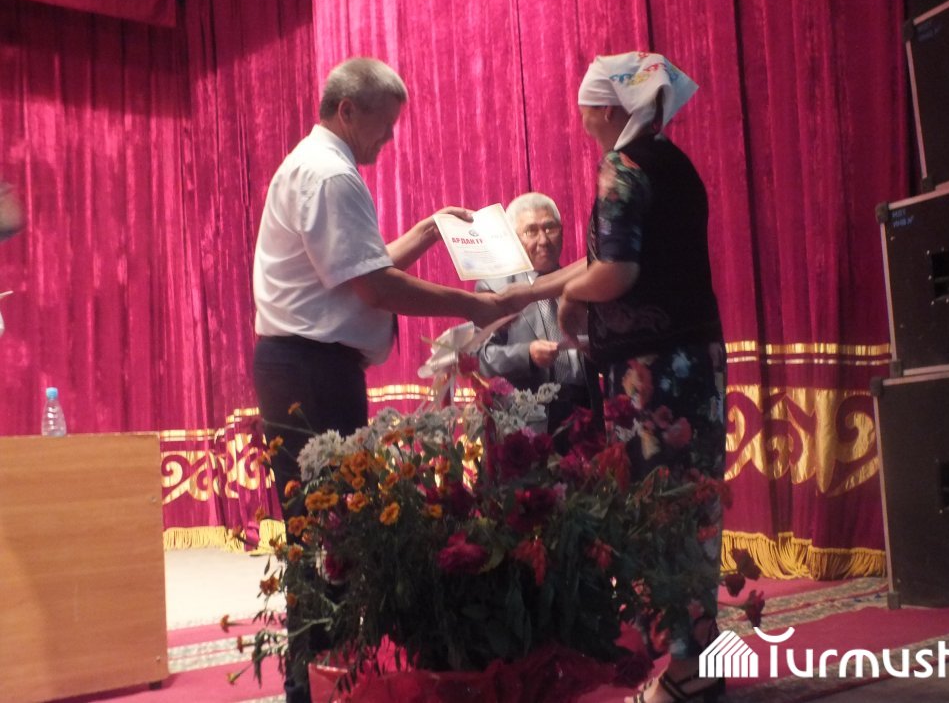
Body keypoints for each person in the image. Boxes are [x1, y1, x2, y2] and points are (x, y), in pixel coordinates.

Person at [251, 57, 531, 702]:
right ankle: (313, 686)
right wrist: (473, 305)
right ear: (348, 109)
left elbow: (357, 268)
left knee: (328, 533)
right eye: (385, 122)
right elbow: (374, 286)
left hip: (305, 366)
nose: (390, 137)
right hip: (311, 371)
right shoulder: (329, 174)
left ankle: (320, 682)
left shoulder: (318, 164)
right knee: (327, 537)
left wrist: (431, 230)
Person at [557, 51, 727, 703]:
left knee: (661, 515)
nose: (580, 121)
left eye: (583, 109)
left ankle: (684, 672)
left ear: (605, 108)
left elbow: (616, 272)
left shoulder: (622, 167)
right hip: (695, 363)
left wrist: (562, 293)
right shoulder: (675, 163)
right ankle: (701, 659)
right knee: (693, 508)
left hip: (651, 375)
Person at [475, 192, 601, 435]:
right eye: (531, 231)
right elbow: (481, 357)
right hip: (528, 422)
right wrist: (528, 354)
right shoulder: (496, 290)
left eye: (550, 228)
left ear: (562, 232)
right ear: (513, 239)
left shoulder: (582, 284)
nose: (543, 240)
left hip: (585, 414)